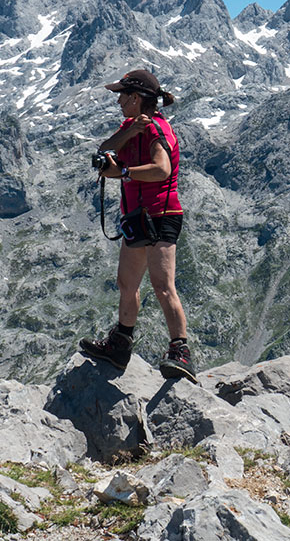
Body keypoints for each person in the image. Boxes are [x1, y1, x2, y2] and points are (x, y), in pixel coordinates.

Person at [79, 69, 195, 382]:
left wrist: (125, 171)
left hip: (161, 214)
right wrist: (116, 156)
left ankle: (181, 351)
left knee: (162, 285)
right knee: (126, 283)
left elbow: (161, 169)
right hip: (137, 217)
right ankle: (120, 344)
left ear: (135, 97)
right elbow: (106, 149)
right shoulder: (130, 126)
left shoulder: (158, 129)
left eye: (122, 95)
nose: (117, 101)